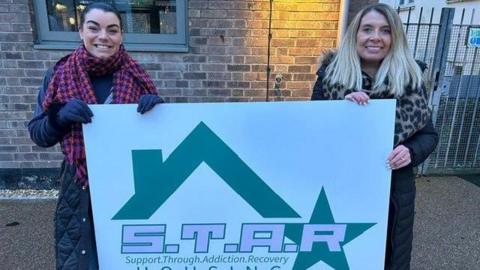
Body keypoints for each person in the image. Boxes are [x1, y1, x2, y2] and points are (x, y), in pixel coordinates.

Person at [28, 3, 163, 270]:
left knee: (130, 257)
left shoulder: (137, 77)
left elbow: (158, 143)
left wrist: (158, 113)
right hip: (79, 188)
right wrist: (59, 116)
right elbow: (39, 134)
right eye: (94, 27)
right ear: (81, 31)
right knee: (83, 260)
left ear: (121, 36)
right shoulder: (59, 75)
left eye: (112, 30)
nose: (103, 36)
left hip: (129, 185)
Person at [311, 4, 438, 270]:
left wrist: (411, 152)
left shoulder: (410, 80)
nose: (375, 37)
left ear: (395, 38)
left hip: (393, 192)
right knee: (339, 258)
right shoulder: (330, 77)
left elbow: (429, 135)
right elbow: (312, 131)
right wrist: (340, 111)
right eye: (367, 29)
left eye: (385, 30)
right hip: (339, 188)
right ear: (355, 35)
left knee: (386, 258)